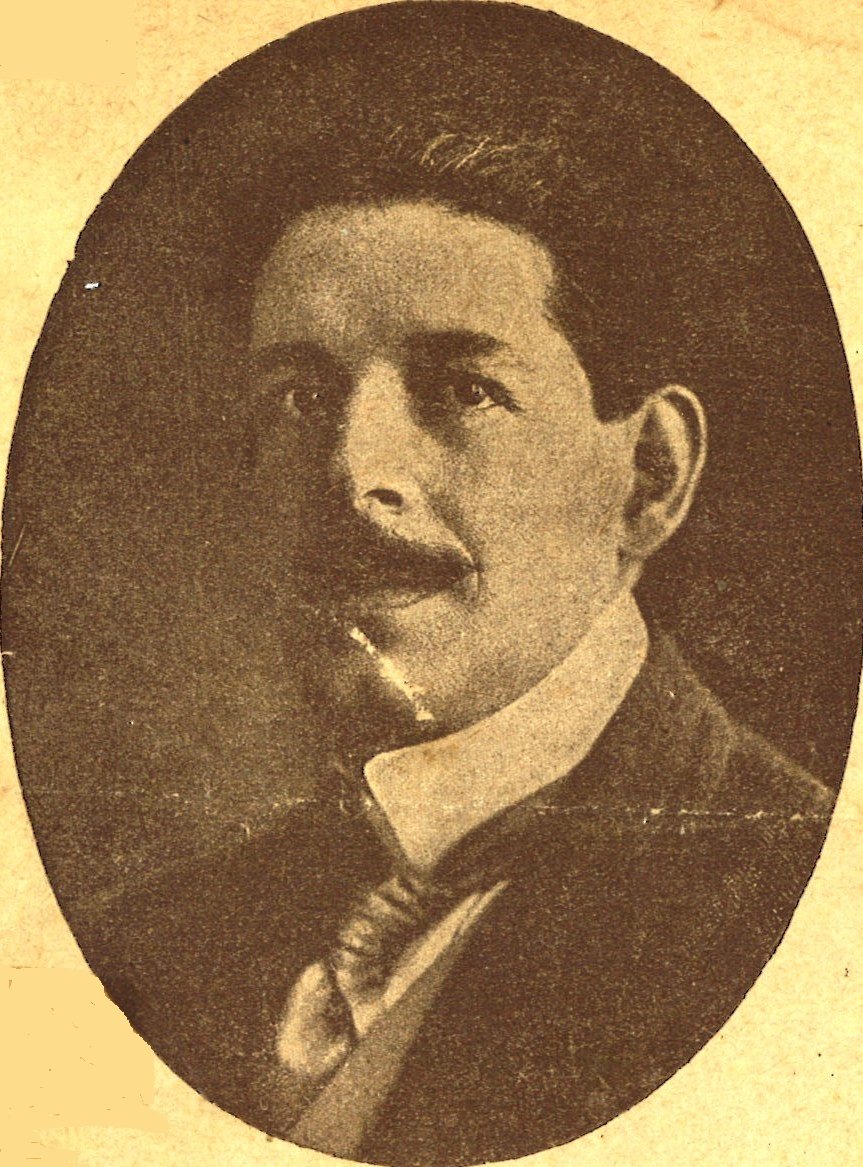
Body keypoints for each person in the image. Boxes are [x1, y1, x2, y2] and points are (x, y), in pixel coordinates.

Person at [74, 17, 836, 1167]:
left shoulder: (800, 908)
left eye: (461, 390)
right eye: (299, 397)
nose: (352, 471)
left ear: (647, 476)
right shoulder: (160, 939)